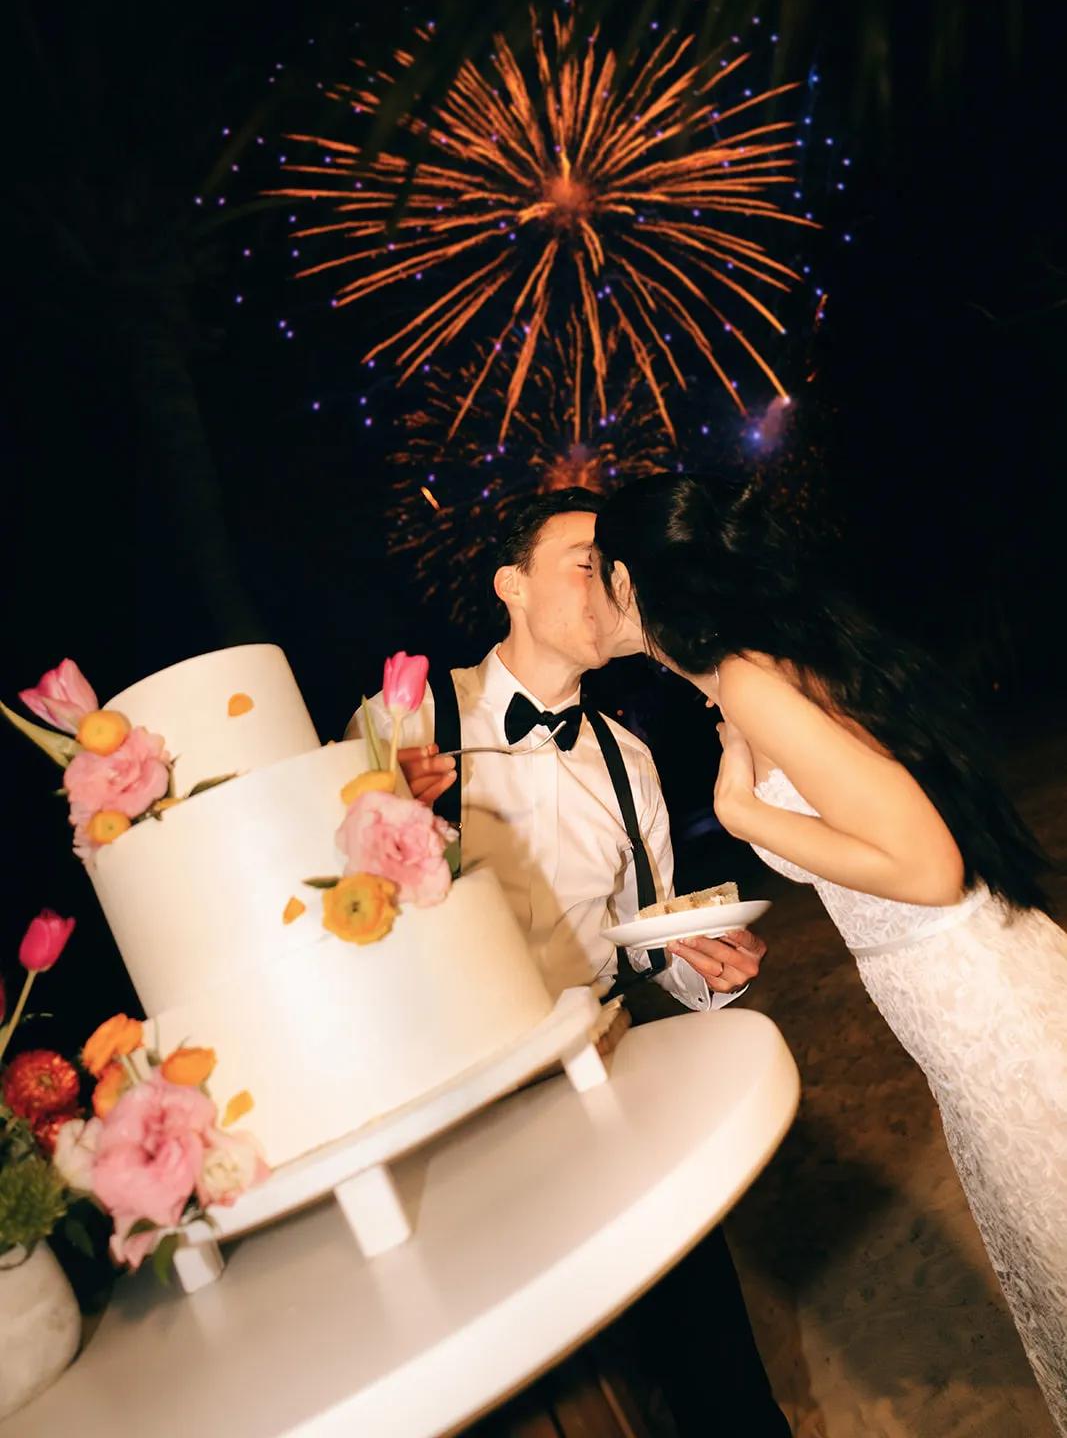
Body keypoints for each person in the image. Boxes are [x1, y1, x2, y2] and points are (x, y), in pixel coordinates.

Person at [595, 470, 1067, 1432]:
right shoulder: (748, 675)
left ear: (628, 585)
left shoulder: (751, 682)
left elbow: (927, 867)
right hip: (960, 1003)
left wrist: (740, 813)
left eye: (590, 568)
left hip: (982, 1003)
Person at [349, 487, 791, 1437]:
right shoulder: (407, 721)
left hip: (608, 1077)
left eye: (613, 566)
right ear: (510, 584)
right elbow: (348, 923)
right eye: (585, 562)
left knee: (712, 1357)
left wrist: (706, 968)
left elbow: (651, 943)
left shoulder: (627, 757)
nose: (608, 583)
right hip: (466, 1117)